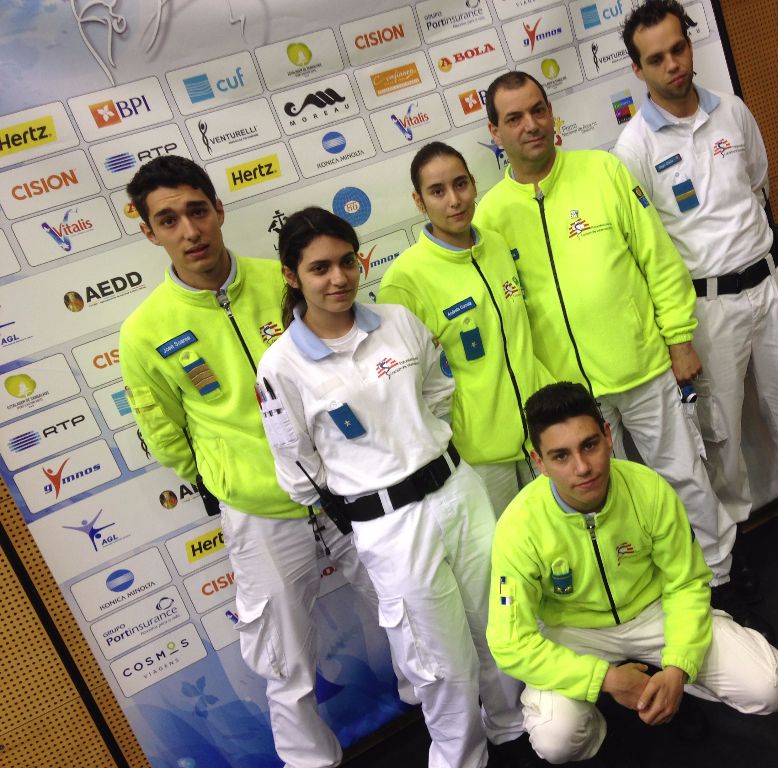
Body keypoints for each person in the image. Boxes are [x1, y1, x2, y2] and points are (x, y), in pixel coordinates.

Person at [120, 157, 395, 768]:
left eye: (197, 211)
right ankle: (310, 761)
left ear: (219, 210)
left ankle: (442, 713)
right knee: (284, 659)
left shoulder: (283, 281)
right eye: (168, 220)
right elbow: (164, 433)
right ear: (149, 232)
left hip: (346, 483)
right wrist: (226, 478)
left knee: (402, 603)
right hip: (259, 509)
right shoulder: (144, 331)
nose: (190, 230)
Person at [474, 71, 769, 633]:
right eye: (514, 118)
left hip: (642, 366)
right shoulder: (490, 217)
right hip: (569, 397)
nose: (531, 125)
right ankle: (647, 600)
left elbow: (658, 258)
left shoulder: (603, 170)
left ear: (551, 112)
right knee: (602, 503)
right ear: (495, 132)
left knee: (683, 477)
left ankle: (721, 576)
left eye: (538, 110)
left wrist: (679, 339)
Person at [613, 0, 778, 563]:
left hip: (767, 281)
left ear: (690, 45)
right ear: (637, 69)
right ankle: (732, 539)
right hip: (706, 305)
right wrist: (675, 334)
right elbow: (641, 245)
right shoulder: (635, 148)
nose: (673, 64)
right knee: (720, 431)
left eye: (678, 49)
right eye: (656, 58)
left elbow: (758, 183)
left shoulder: (732, 111)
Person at [256, 207, 523, 768]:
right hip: (390, 525)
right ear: (291, 276)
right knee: (439, 662)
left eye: (347, 262)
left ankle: (515, 729)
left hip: (458, 491)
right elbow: (300, 470)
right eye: (320, 268)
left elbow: (438, 391)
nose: (338, 278)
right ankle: (462, 758)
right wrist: (370, 492)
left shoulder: (397, 321)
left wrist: (415, 445)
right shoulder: (281, 367)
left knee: (500, 624)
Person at [487, 382, 778, 763]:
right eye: (561, 456)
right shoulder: (517, 529)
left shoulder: (650, 490)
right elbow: (509, 642)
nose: (582, 467)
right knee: (556, 739)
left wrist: (678, 668)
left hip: (653, 611)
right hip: (575, 631)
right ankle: (604, 713)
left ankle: (667, 684)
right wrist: (605, 679)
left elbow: (686, 583)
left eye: (589, 445)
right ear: (539, 462)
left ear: (608, 436)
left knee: (771, 688)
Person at [378, 141, 552, 514]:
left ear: (473, 184)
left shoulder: (497, 246)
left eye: (460, 184)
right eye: (437, 191)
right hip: (478, 457)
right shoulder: (403, 281)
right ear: (419, 201)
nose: (454, 200)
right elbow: (405, 389)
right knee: (503, 549)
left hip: (540, 433)